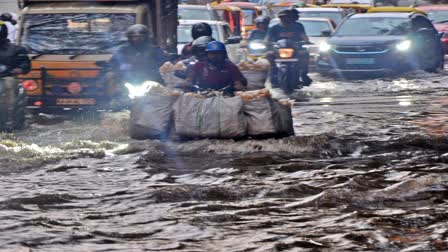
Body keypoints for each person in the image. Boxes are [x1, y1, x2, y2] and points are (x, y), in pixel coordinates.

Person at [109, 24, 165, 89]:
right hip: (129, 82)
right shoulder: (123, 50)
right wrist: (121, 68)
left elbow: (162, 63)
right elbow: (114, 63)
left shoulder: (154, 49)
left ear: (146, 37)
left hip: (151, 81)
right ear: (130, 38)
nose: (138, 39)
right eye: (135, 36)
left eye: (141, 36)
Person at [266, 9, 312, 86]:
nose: (285, 19)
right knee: (269, 55)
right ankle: (273, 73)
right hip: (279, 50)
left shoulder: (298, 26)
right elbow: (267, 39)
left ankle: (304, 75)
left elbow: (304, 37)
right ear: (280, 18)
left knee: (305, 54)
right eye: (283, 17)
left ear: (291, 18)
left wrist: (306, 41)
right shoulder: (274, 28)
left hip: (295, 50)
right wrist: (267, 43)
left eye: (287, 17)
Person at [0, 21, 30, 129]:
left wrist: (19, 69)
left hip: (7, 77)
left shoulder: (16, 49)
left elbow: (25, 65)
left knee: (6, 84)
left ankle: (7, 115)